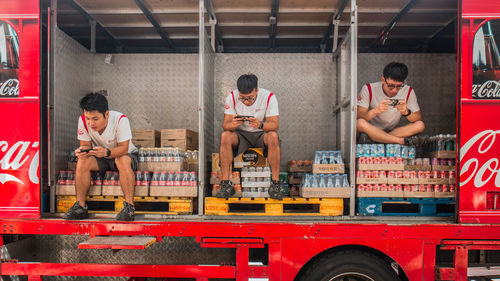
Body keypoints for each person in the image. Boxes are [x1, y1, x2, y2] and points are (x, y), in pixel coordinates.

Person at [63, 93, 138, 221]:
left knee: (122, 160)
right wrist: (82, 151)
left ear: (107, 114)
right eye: (88, 118)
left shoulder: (121, 119)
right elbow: (85, 144)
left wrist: (107, 153)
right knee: (83, 161)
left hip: (123, 154)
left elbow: (124, 148)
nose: (91, 123)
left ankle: (129, 208)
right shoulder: (82, 120)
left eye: (95, 119)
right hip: (100, 155)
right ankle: (80, 207)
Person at [217, 74, 283, 199]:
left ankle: (275, 184)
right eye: (242, 98)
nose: (246, 102)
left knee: (273, 136)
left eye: (250, 98)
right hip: (241, 135)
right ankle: (226, 184)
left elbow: (274, 125)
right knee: (225, 135)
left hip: (261, 134)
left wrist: (261, 124)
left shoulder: (269, 97)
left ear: (257, 90)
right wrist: (233, 124)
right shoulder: (232, 96)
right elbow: (225, 125)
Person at [356, 62, 425, 144]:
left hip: (393, 132)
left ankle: (381, 139)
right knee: (359, 123)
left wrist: (407, 112)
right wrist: (375, 111)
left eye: (399, 86)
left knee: (420, 125)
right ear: (383, 80)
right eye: (391, 86)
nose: (394, 90)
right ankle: (399, 141)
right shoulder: (368, 88)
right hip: (371, 130)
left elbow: (418, 118)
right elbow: (359, 115)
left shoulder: (408, 91)